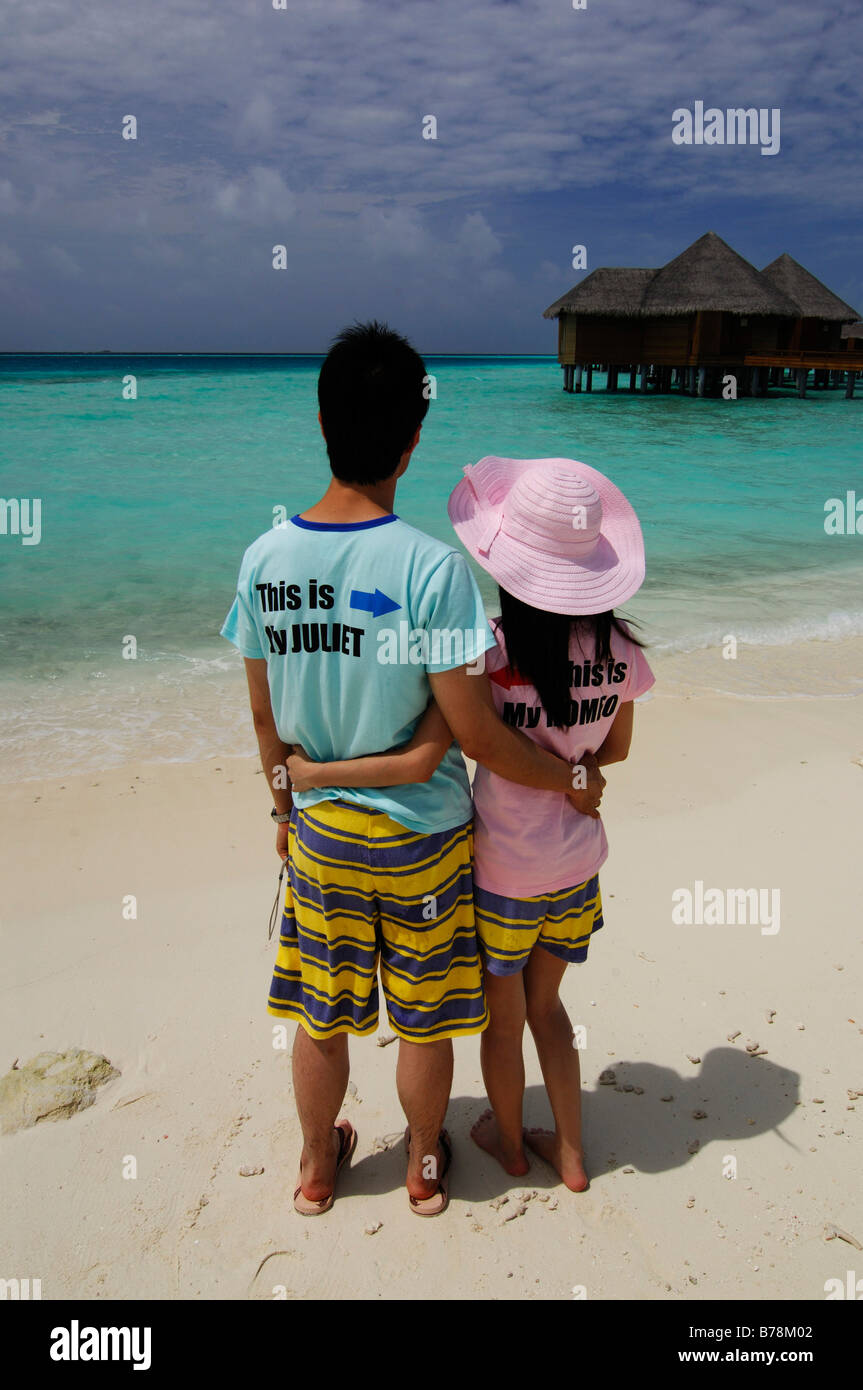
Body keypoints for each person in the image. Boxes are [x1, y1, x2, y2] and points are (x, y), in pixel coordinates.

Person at [220, 328, 588, 1217]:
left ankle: (317, 1169)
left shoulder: (265, 560)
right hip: (420, 838)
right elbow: (478, 739)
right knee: (424, 1015)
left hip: (322, 834)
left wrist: (283, 807)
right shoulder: (430, 568)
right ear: (412, 441)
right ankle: (424, 1168)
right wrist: (566, 782)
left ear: (320, 422)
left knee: (322, 1012)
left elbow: (267, 723)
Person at [287, 455, 653, 1194]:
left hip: (502, 871)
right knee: (550, 1010)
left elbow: (462, 739)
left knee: (502, 1015)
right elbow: (612, 750)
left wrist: (309, 778)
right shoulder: (623, 655)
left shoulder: (490, 652)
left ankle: (511, 1143)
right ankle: (573, 1154)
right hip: (578, 864)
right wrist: (577, 773)